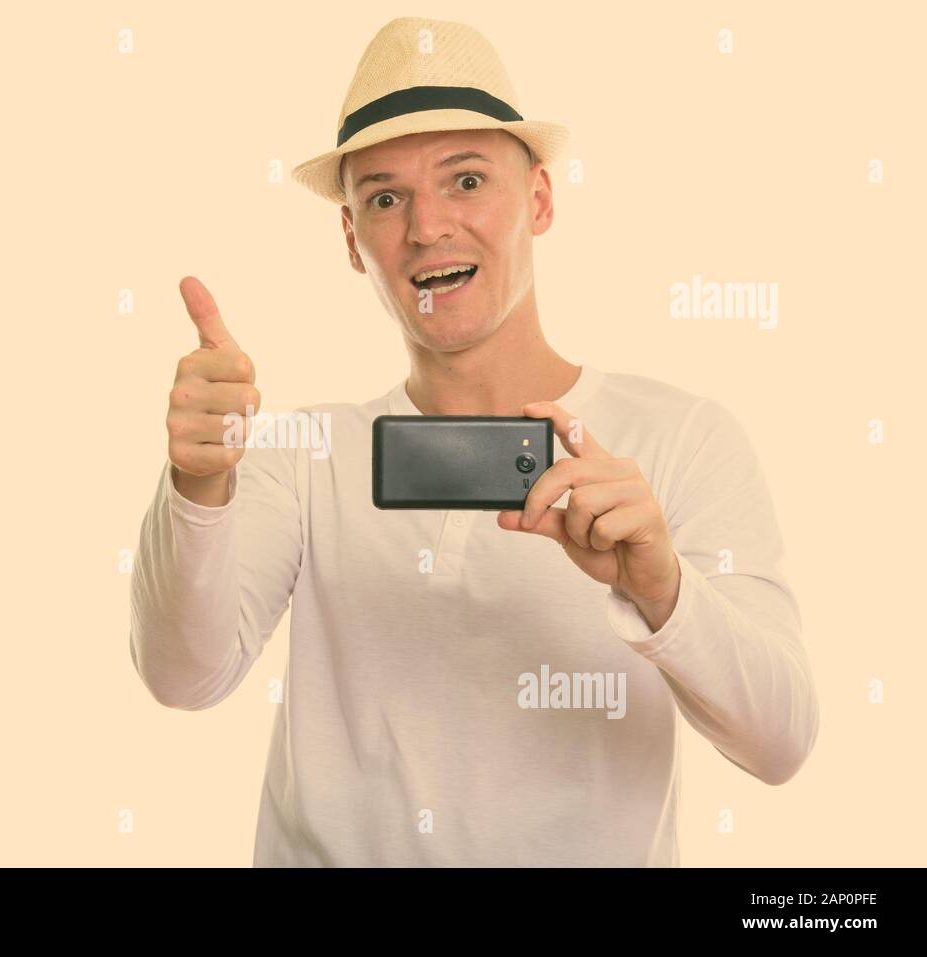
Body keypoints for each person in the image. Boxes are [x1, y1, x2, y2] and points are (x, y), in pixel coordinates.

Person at [129, 16, 819, 866]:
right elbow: (182, 676)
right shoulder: (302, 453)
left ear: (539, 198)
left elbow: (782, 742)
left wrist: (663, 589)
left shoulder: (682, 438)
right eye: (384, 197)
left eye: (465, 181)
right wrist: (196, 484)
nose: (426, 227)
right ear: (352, 241)